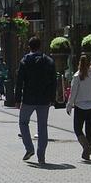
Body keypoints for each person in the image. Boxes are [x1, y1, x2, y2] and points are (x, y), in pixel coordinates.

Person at [14, 36, 57, 165]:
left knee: (23, 123)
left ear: (29, 46)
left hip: (28, 98)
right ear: (40, 46)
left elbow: (19, 81)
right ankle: (41, 156)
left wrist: (17, 99)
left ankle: (29, 148)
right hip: (44, 99)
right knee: (42, 126)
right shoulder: (48, 61)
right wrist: (52, 98)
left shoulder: (25, 61)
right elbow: (53, 81)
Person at [66, 55, 91, 161]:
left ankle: (85, 146)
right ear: (89, 65)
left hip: (80, 106)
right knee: (89, 129)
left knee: (77, 128)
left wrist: (69, 105)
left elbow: (73, 93)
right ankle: (89, 148)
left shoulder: (77, 76)